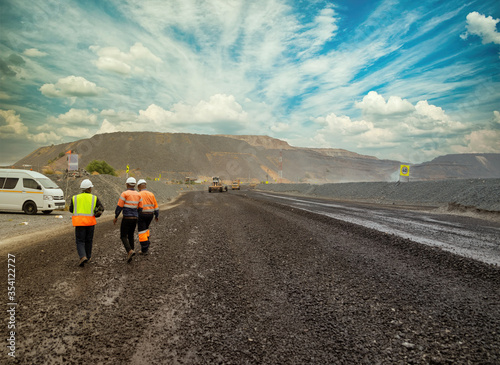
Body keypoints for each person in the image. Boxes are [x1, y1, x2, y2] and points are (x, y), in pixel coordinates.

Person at [69, 179, 104, 267]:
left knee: (80, 241)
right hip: (90, 223)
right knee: (89, 240)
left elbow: (71, 209)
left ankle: (82, 256)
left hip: (79, 223)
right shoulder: (94, 198)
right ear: (89, 188)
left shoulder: (75, 198)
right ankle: (88, 257)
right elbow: (101, 208)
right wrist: (96, 213)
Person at [114, 177, 143, 262]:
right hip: (135, 218)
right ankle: (131, 251)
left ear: (127, 184)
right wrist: (136, 214)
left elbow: (119, 207)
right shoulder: (139, 195)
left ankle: (129, 251)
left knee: (123, 236)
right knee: (131, 235)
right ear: (134, 185)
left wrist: (116, 217)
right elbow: (140, 208)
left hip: (126, 218)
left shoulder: (124, 194)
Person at [136, 179, 159, 254]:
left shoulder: (138, 194)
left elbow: (136, 206)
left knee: (142, 231)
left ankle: (144, 249)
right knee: (146, 229)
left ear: (139, 187)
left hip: (142, 214)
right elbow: (156, 206)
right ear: (145, 185)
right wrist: (156, 215)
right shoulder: (151, 194)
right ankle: (147, 243)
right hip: (150, 215)